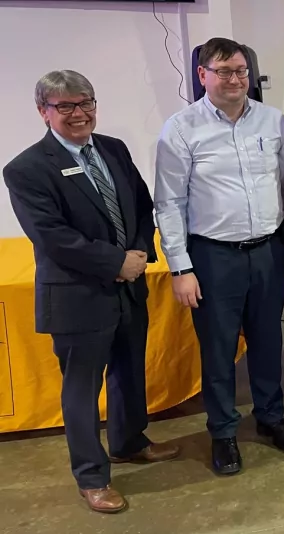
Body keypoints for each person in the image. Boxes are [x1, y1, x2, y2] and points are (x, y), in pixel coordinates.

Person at [3, 70, 179, 513]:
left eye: (86, 103)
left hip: (128, 289)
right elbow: (52, 236)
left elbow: (140, 204)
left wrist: (139, 251)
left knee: (129, 371)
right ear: (44, 112)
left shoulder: (113, 149)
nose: (79, 113)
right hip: (77, 296)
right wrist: (115, 262)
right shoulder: (26, 169)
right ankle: (91, 476)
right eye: (65, 106)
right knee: (82, 389)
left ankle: (129, 441)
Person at [154, 37, 284, 475]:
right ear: (203, 75)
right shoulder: (181, 128)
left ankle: (270, 417)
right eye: (223, 72)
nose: (235, 79)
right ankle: (222, 431)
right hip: (213, 257)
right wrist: (180, 267)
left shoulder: (272, 121)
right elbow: (169, 203)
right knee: (218, 349)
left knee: (268, 340)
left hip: (268, 251)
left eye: (240, 70)